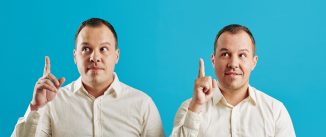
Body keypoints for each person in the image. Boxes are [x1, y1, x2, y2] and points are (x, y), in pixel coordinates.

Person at [12, 18, 164, 137]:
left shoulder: (143, 105)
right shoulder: (52, 103)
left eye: (103, 49)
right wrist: (36, 108)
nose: (95, 57)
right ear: (75, 56)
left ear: (116, 56)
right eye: (86, 49)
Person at [170, 24, 296, 137]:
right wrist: (196, 106)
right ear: (213, 60)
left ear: (254, 62)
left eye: (242, 55)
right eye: (225, 54)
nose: (233, 64)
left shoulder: (275, 111)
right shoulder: (189, 108)